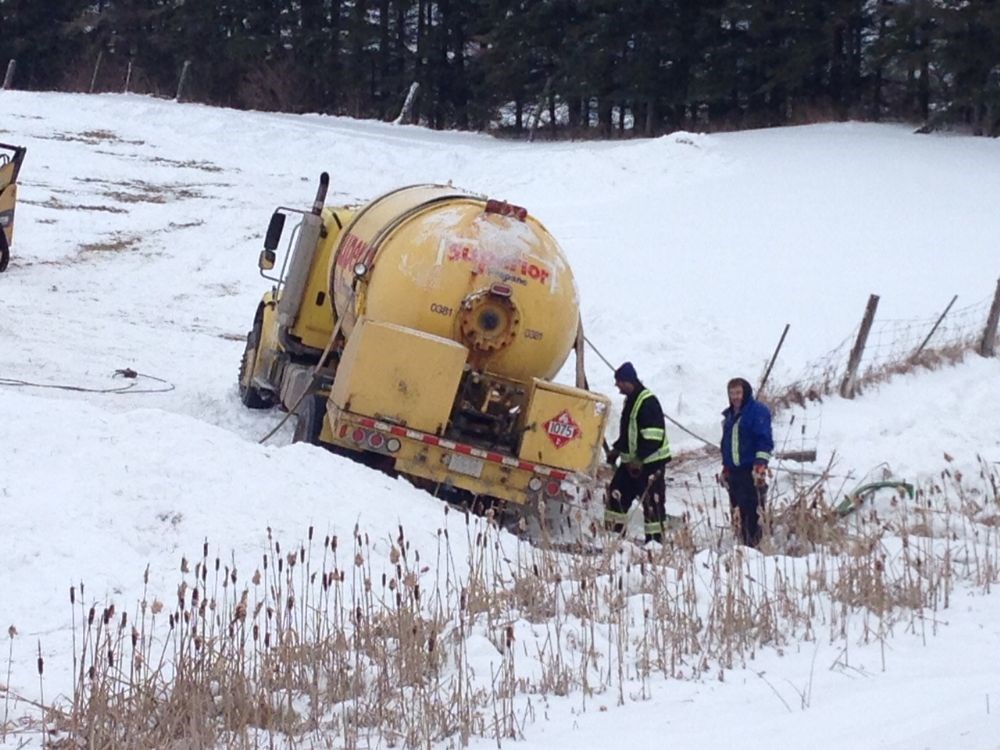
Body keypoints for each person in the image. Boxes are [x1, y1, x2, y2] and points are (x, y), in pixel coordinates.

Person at [604, 362, 672, 543]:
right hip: (630, 465)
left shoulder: (648, 402)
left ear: (627, 381)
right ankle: (614, 539)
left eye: (618, 382)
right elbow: (629, 433)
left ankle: (655, 544)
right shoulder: (631, 400)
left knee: (652, 505)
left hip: (650, 465)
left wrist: (640, 459)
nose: (617, 386)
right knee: (615, 497)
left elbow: (653, 436)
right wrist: (617, 449)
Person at [720, 377, 774, 547]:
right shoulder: (729, 416)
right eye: (732, 393)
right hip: (734, 473)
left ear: (746, 392)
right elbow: (727, 445)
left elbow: (764, 440)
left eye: (738, 392)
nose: (735, 397)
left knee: (752, 513)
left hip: (751, 471)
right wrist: (726, 467)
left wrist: (760, 463)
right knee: (737, 513)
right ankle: (741, 547)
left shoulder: (757, 411)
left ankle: (753, 548)